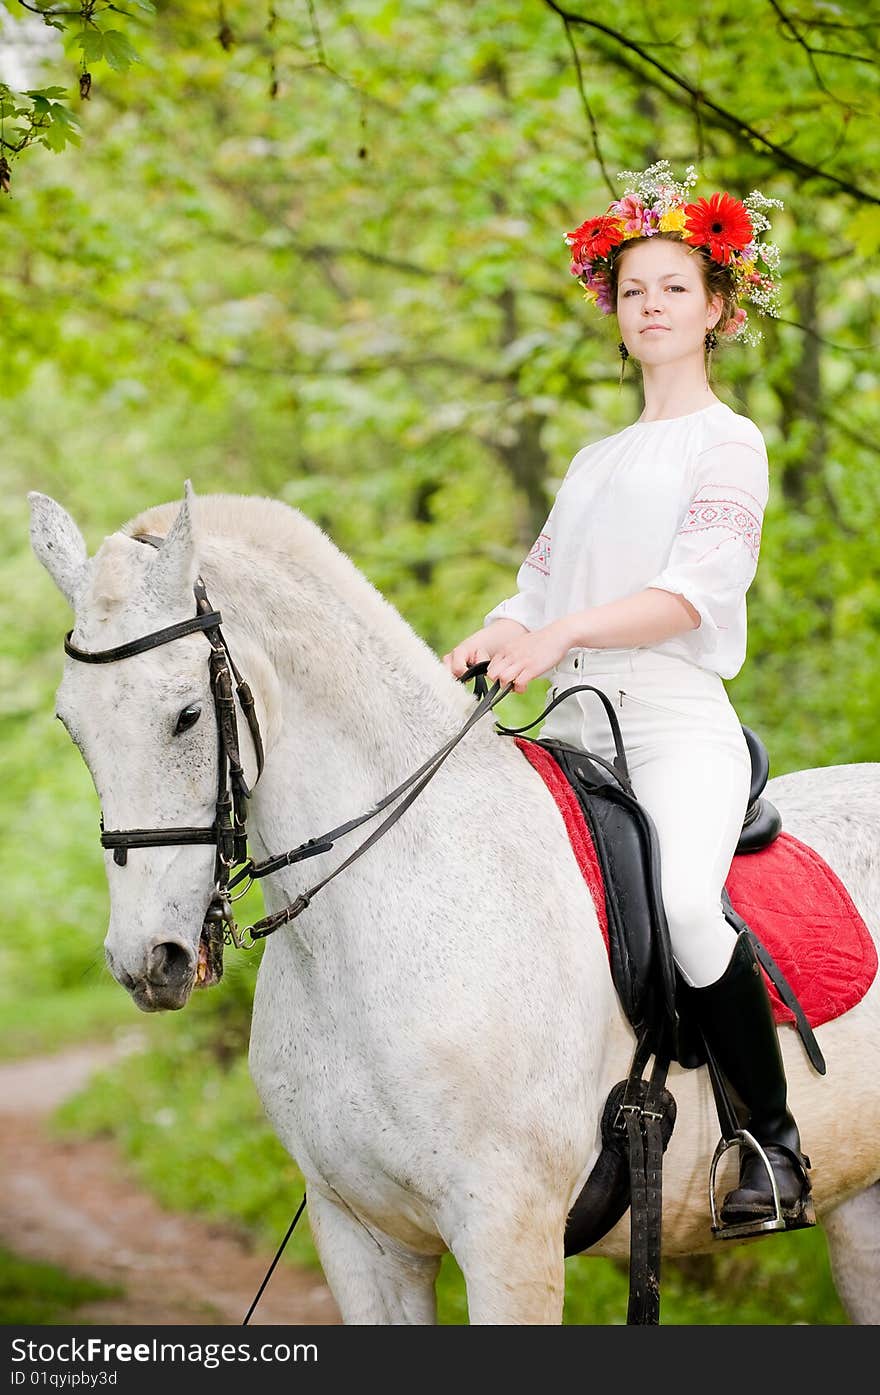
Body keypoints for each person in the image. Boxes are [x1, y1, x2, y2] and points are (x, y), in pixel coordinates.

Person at [442, 161, 813, 1235]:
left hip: (669, 719)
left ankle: (769, 1147)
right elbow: (538, 591)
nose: (650, 305)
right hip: (570, 725)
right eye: (634, 289)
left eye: (674, 289)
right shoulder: (596, 457)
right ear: (613, 307)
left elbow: (687, 598)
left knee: (690, 910)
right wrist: (499, 632)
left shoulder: (726, 443)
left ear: (719, 310)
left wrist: (556, 631)